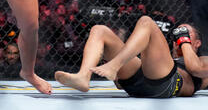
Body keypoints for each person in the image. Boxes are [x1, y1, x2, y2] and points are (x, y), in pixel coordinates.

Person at [55, 16, 208, 97]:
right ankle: (83, 77)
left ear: (198, 43)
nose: (179, 36)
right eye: (178, 34)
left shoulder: (203, 61)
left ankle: (114, 65)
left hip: (167, 85)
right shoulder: (159, 59)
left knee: (146, 22)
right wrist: (119, 75)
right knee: (99, 29)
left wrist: (184, 41)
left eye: (187, 34)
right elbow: (120, 85)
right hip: (138, 84)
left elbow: (195, 69)